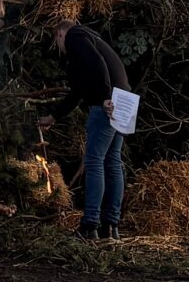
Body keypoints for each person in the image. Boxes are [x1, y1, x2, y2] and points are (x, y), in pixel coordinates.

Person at [47, 16, 131, 238]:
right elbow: (77, 91)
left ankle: (90, 224)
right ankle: (111, 226)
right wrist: (54, 116)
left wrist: (105, 97)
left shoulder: (75, 36)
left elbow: (97, 63)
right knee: (113, 162)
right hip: (125, 99)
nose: (60, 48)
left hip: (108, 103)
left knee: (94, 161)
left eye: (57, 42)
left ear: (60, 33)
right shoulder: (93, 38)